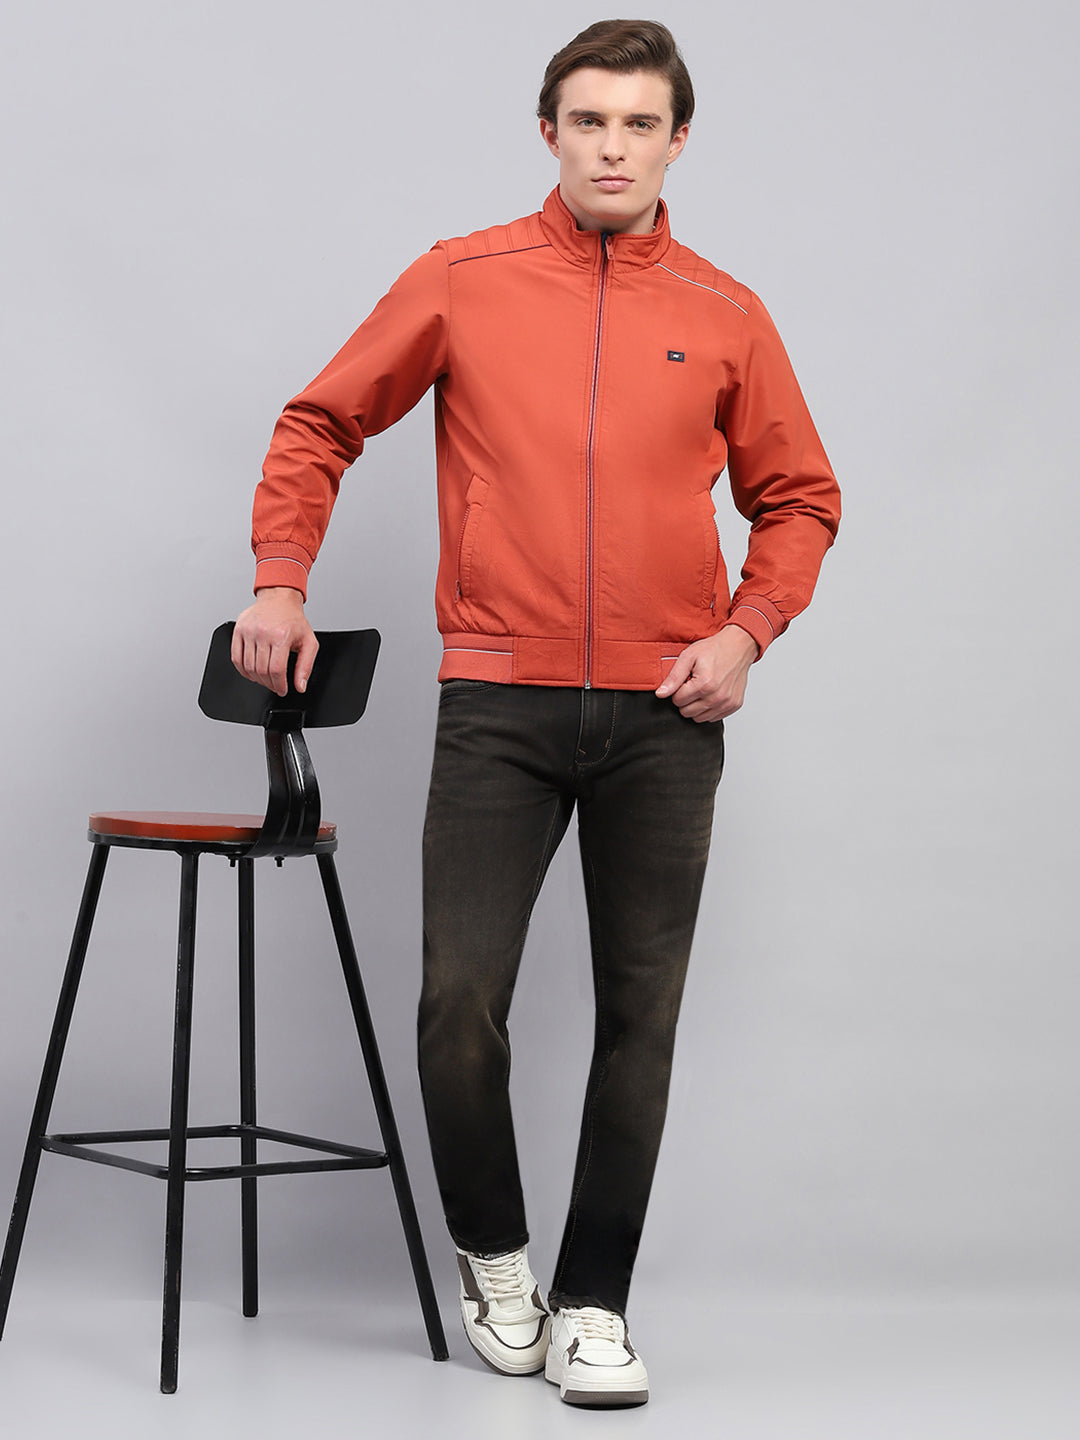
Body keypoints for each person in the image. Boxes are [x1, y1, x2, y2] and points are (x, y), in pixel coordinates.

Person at [232, 19, 840, 1408]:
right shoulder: (465, 278)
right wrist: (279, 580)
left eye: (640, 124)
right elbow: (320, 423)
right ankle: (498, 1262)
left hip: (666, 716)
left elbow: (800, 498)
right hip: (499, 704)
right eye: (589, 121)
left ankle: (597, 1306)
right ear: (549, 133)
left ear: (677, 142)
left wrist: (746, 632)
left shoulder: (727, 311)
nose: (612, 148)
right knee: (460, 1004)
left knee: (641, 1018)